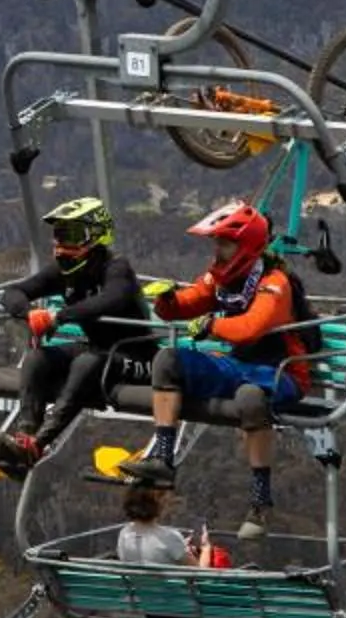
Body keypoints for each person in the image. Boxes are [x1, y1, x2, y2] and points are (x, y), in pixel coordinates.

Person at [117, 200, 305, 534]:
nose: (217, 250)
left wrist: (212, 326)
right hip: (237, 365)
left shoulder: (275, 283)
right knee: (168, 360)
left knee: (250, 398)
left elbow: (252, 326)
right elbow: (188, 304)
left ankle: (261, 500)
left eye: (224, 243)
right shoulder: (219, 277)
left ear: (245, 247)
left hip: (280, 374)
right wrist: (168, 300)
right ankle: (162, 458)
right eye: (216, 242)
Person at [0, 195, 144, 476]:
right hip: (99, 349)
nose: (60, 245)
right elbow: (13, 293)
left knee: (86, 363)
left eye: (70, 235)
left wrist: (59, 317)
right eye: (57, 236)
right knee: (37, 358)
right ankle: (25, 433)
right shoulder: (63, 272)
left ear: (94, 237)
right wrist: (28, 312)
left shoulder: (116, 268)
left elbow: (111, 300)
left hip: (138, 354)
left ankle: (37, 445)